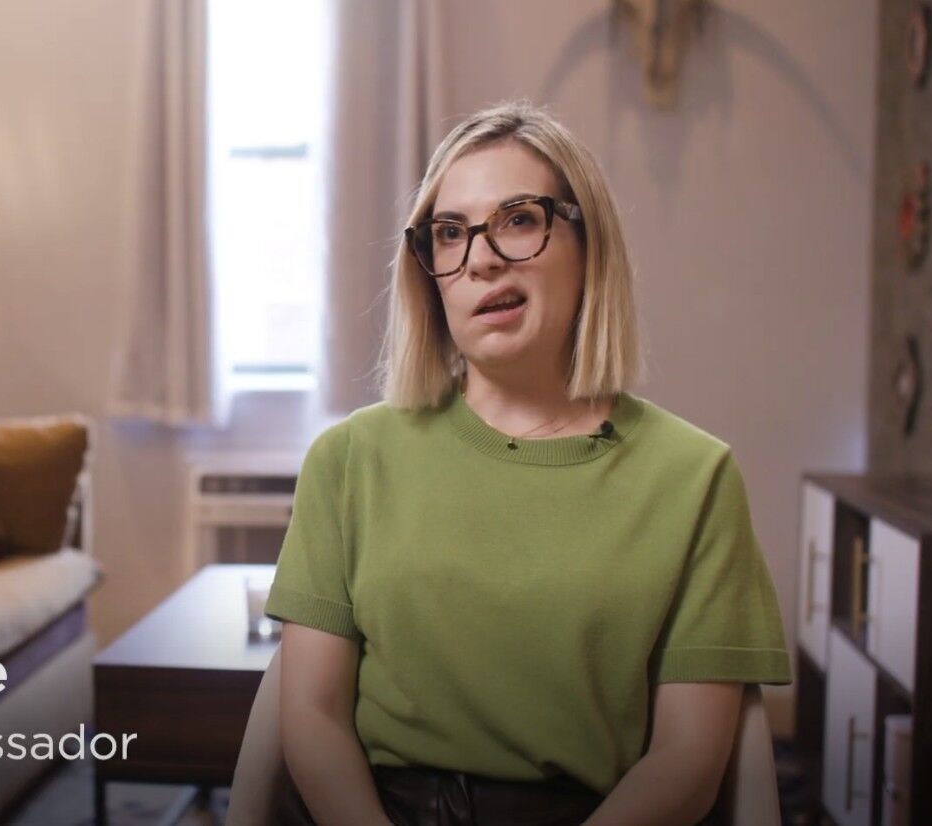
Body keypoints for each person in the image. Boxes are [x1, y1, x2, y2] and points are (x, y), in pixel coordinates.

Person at [263, 100, 791, 826]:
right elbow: (312, 721)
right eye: (450, 233)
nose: (479, 257)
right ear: (431, 272)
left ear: (588, 242)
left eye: (518, 219)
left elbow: (687, 762)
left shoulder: (695, 478)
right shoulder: (349, 460)